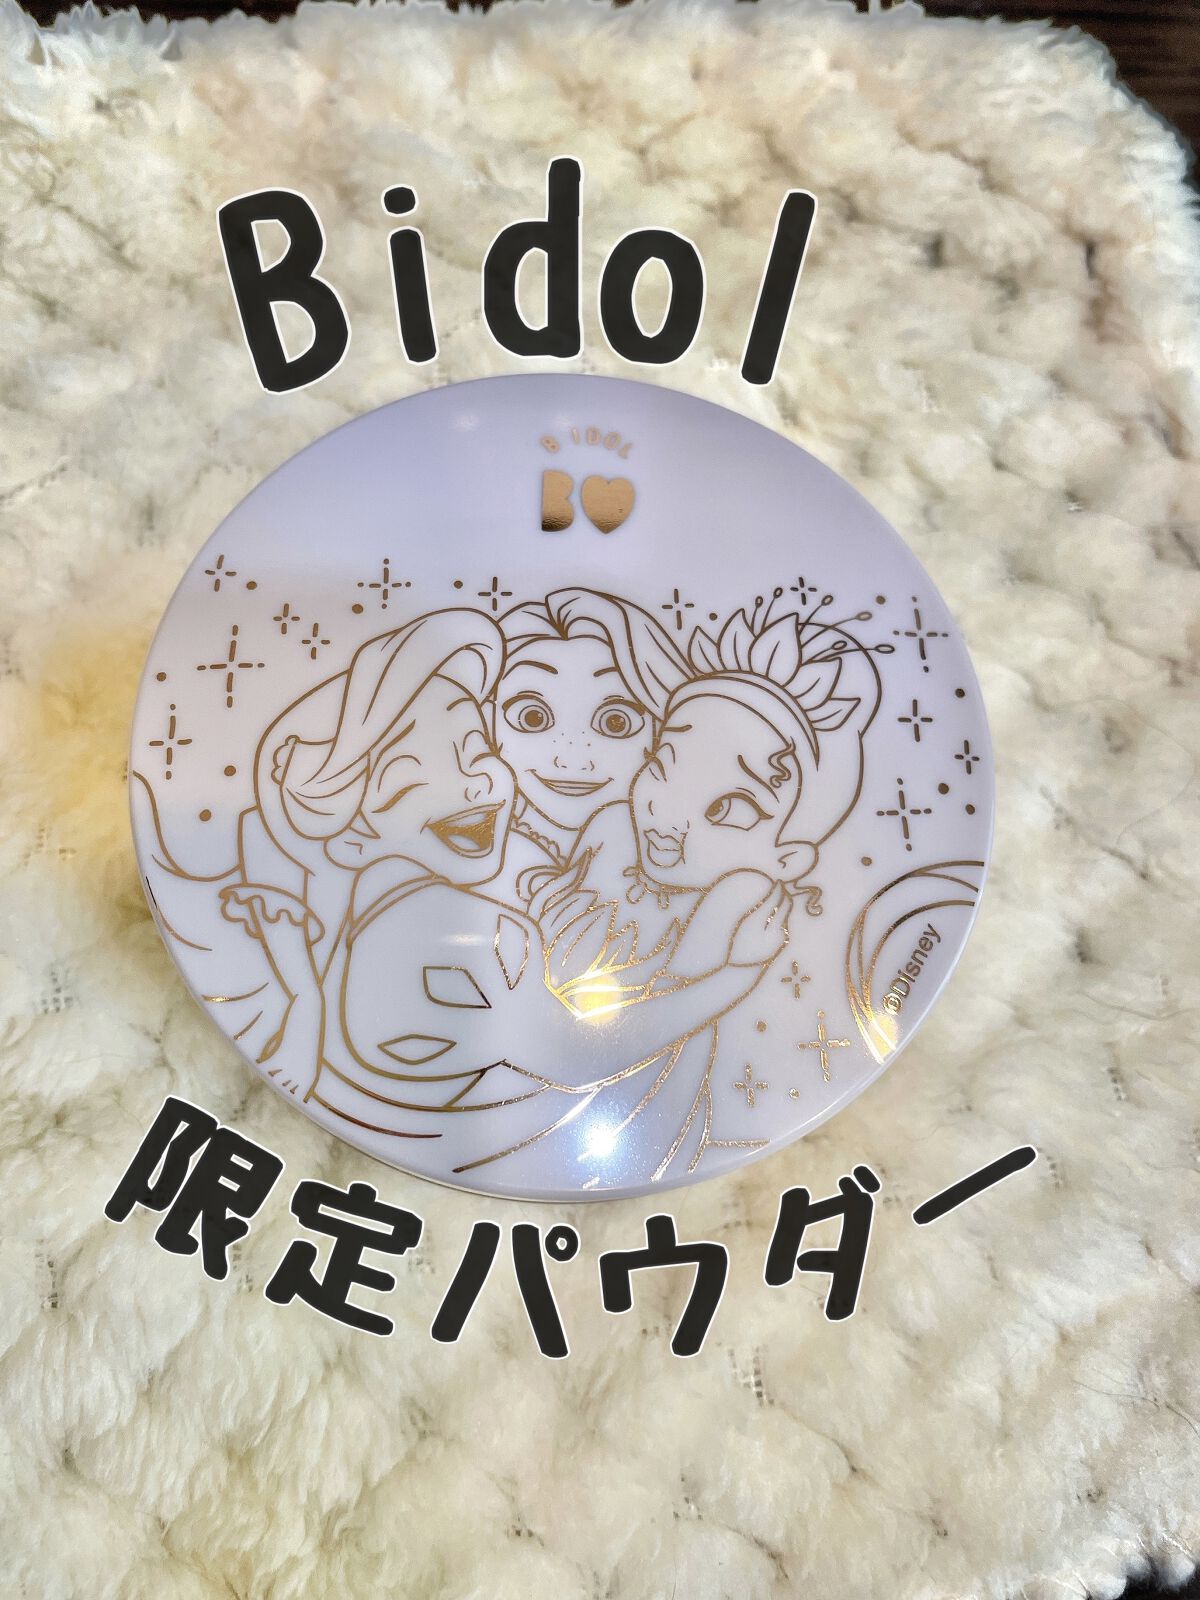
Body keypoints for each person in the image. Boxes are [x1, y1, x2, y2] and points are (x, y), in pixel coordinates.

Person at [133, 606, 786, 1176]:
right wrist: (734, 976)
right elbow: (573, 1053)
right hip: (506, 1153)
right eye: (409, 769)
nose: (476, 782)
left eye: (475, 749)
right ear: (349, 832)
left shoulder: (415, 912)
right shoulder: (440, 929)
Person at [510, 590, 887, 1188]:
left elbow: (605, 1052)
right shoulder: (611, 829)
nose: (669, 816)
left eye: (730, 809)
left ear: (786, 859)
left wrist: (733, 977)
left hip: (595, 1117)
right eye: (662, 767)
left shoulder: (732, 906)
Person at [491, 587, 691, 903]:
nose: (572, 760)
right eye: (532, 718)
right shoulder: (476, 853)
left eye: (616, 722)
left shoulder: (680, 856)